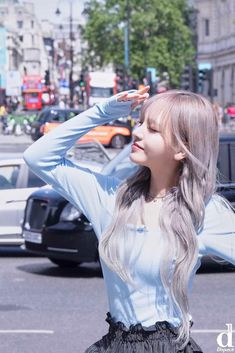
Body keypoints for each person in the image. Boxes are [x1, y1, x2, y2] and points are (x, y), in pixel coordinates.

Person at [23, 87, 235, 353]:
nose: (137, 132)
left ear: (183, 149)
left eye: (153, 129)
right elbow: (39, 157)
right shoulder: (110, 198)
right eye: (140, 122)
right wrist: (105, 111)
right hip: (114, 344)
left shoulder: (203, 211)